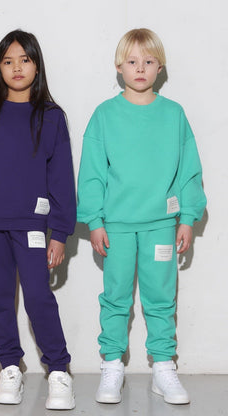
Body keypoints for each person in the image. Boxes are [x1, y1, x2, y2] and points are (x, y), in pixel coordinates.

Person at [77, 28, 206, 405]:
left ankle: (163, 367)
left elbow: (189, 169)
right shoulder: (104, 115)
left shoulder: (173, 114)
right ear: (119, 67)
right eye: (132, 61)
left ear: (159, 67)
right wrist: (95, 221)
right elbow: (92, 172)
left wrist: (187, 217)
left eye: (148, 61)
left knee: (161, 297)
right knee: (115, 297)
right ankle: (111, 365)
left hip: (161, 225)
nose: (140, 68)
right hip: (116, 226)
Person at [0, 30, 76, 410]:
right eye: (8, 61)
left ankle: (59, 370)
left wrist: (60, 232)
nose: (17, 67)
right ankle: (9, 367)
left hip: (33, 225)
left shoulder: (52, 117)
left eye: (24, 60)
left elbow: (61, 176)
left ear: (37, 65)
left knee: (39, 297)